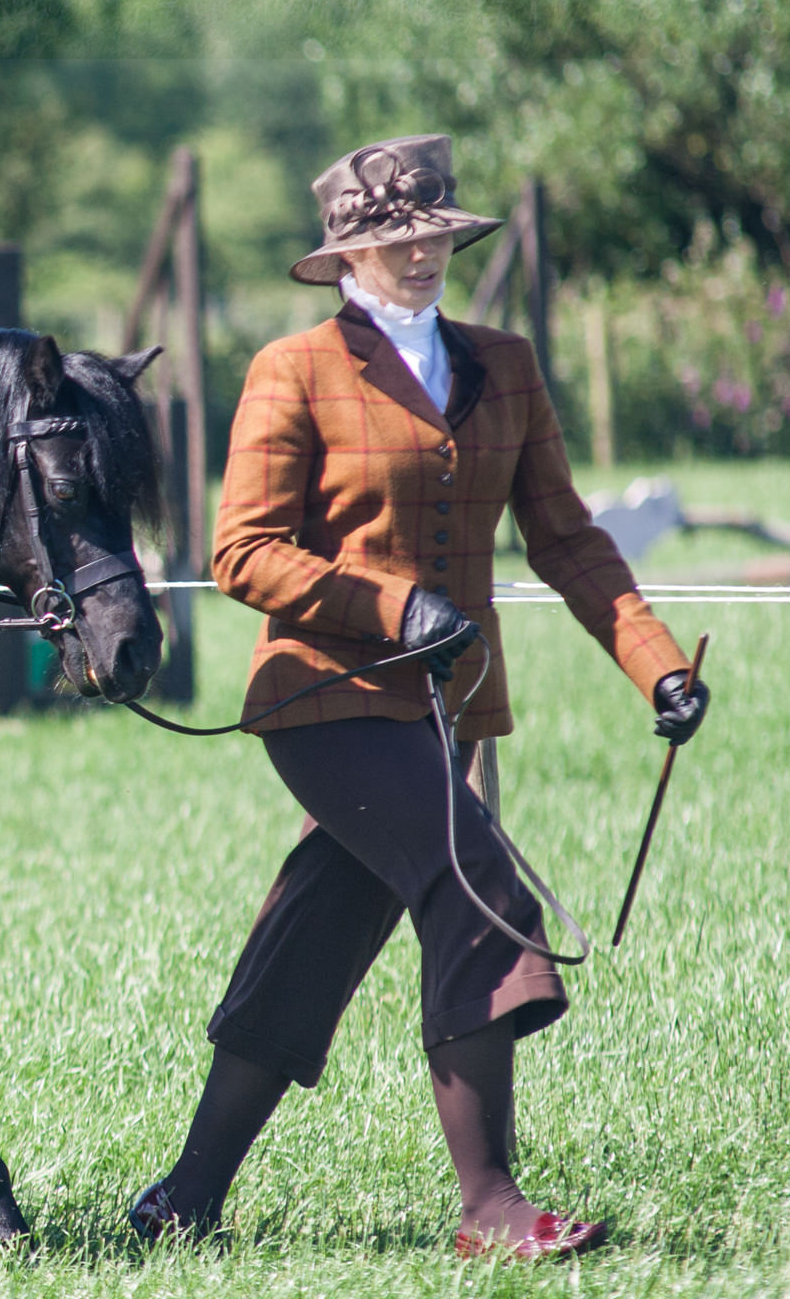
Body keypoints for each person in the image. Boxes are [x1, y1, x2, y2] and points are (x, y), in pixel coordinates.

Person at [132, 136, 708, 1261]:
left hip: (444, 712)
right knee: (472, 877)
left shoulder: (505, 361)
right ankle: (490, 1205)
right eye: (398, 237)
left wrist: (656, 661)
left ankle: (182, 1196)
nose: (421, 252)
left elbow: (566, 537)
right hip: (322, 696)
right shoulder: (290, 369)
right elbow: (242, 549)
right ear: (349, 250)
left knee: (318, 931)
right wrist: (391, 607)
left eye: (436, 233)